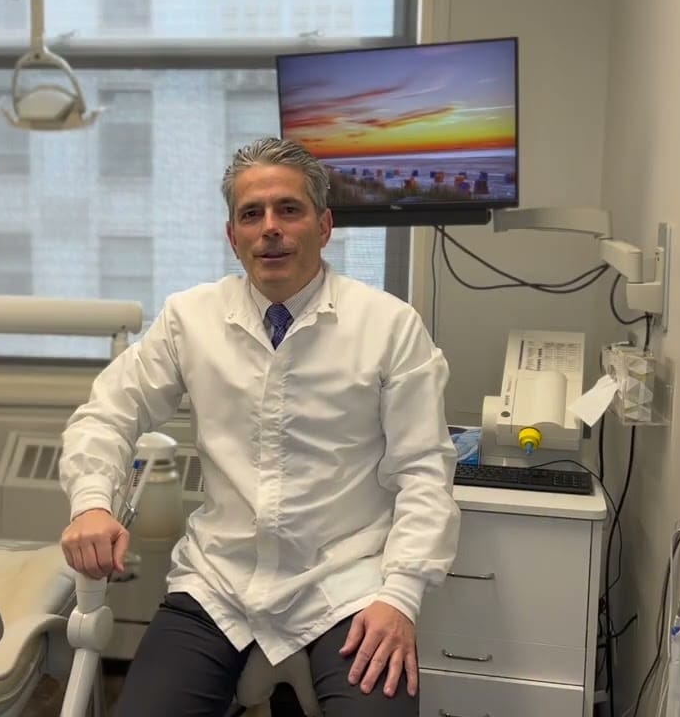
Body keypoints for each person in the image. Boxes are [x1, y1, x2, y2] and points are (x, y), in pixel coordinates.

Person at [58, 136, 460, 717]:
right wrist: (92, 503)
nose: (269, 227)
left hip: (346, 587)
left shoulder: (389, 326)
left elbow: (424, 471)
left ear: (324, 227)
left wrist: (400, 596)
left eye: (288, 210)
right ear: (233, 236)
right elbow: (107, 413)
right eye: (252, 214)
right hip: (218, 584)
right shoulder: (189, 319)